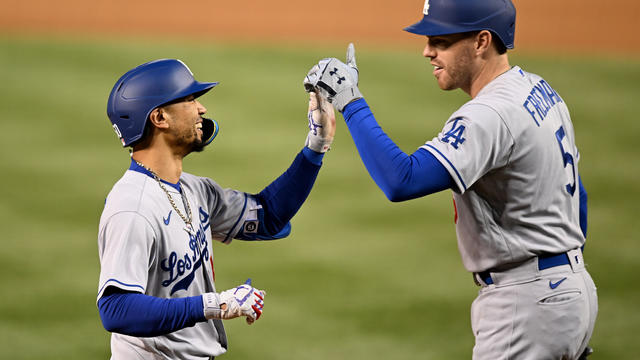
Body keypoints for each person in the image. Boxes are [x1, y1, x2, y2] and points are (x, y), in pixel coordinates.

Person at [303, 0, 597, 359]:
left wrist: (350, 100)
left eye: (441, 40)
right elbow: (576, 197)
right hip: (570, 289)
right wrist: (565, 299)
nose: (427, 51)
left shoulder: (489, 113)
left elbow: (401, 180)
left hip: (525, 303)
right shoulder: (538, 89)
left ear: (481, 41)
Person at [97, 58, 335, 359]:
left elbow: (268, 216)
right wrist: (215, 304)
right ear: (159, 117)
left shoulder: (195, 190)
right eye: (189, 99)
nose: (202, 109)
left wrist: (316, 145)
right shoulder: (132, 208)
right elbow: (116, 309)